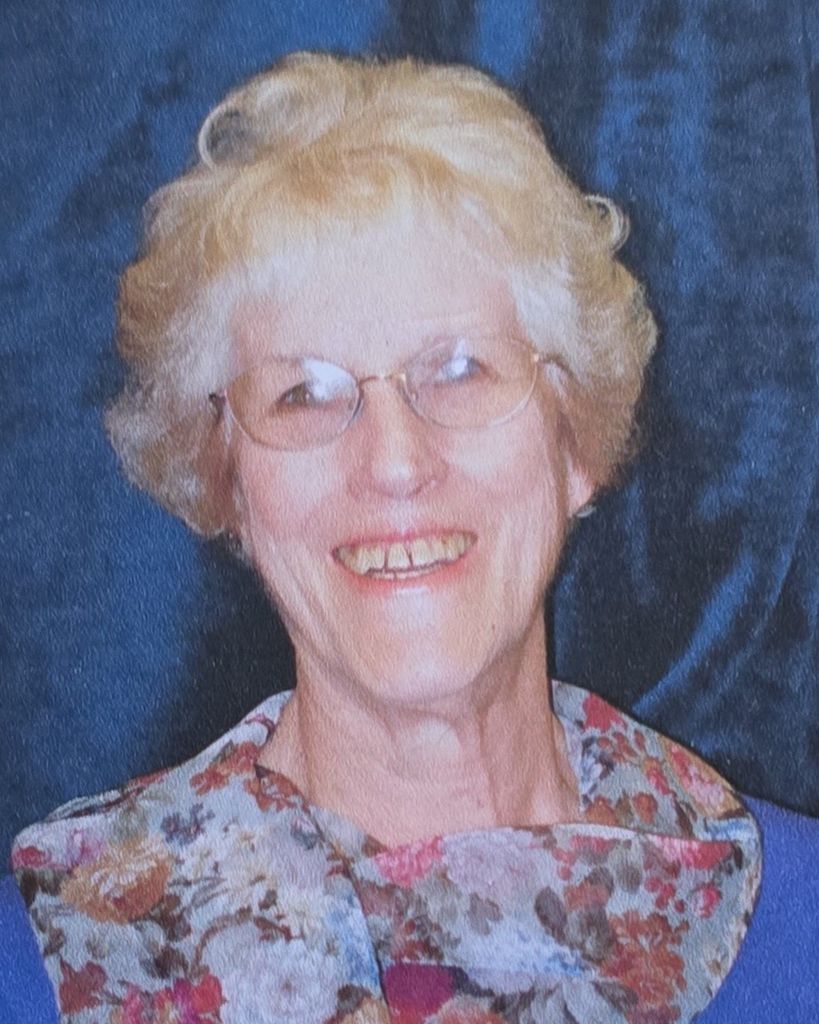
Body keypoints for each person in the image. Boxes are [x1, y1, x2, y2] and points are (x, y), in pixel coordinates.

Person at [1, 52, 817, 1024]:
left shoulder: (797, 926)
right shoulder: (46, 967)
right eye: (303, 393)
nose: (393, 462)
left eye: (461, 370)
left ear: (575, 443)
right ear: (227, 479)